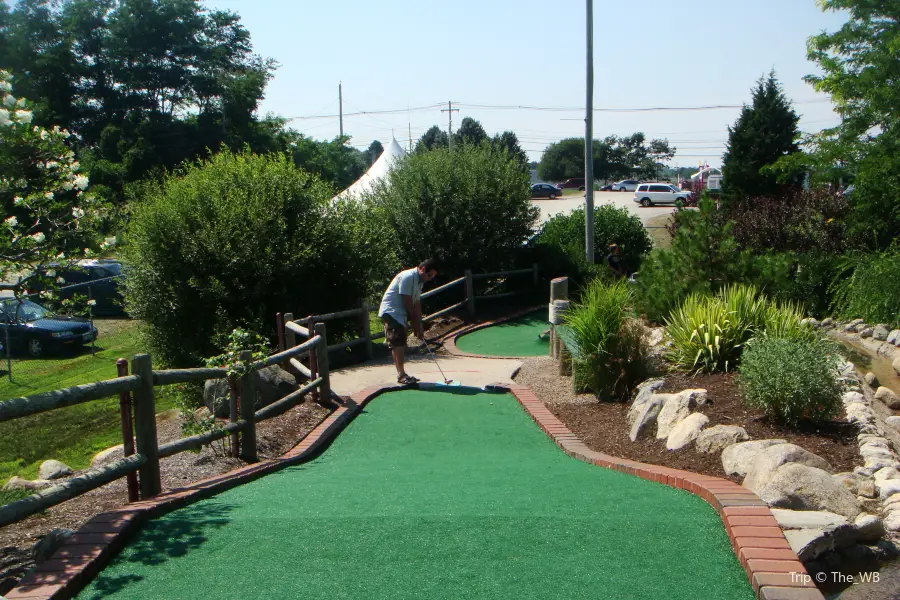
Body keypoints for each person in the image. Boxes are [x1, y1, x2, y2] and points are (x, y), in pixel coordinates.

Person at [378, 259, 438, 384]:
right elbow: (407, 303)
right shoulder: (408, 277)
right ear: (422, 269)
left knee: (400, 341)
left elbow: (416, 303)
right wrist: (415, 324)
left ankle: (402, 373)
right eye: (429, 275)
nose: (430, 279)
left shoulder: (419, 281)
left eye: (432, 276)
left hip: (399, 313)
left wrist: (419, 325)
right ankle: (401, 375)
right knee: (398, 342)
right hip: (392, 311)